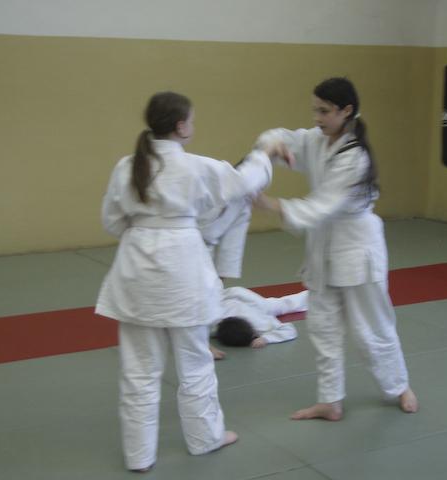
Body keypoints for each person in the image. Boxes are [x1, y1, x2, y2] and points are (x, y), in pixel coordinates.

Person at [95, 91, 284, 472]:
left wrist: (144, 230)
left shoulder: (127, 166)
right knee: (195, 363)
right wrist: (266, 151)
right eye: (192, 121)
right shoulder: (196, 167)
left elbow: (111, 221)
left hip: (136, 272)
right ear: (181, 126)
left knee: (138, 372)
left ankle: (138, 455)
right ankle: (205, 438)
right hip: (183, 271)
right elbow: (245, 180)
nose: (193, 127)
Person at [253, 77, 418, 421]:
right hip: (323, 248)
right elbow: (282, 136)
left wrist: (271, 205)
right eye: (315, 109)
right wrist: (272, 147)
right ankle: (330, 401)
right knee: (322, 326)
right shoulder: (317, 139)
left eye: (324, 111)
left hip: (356, 248)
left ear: (346, 111)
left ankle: (398, 386)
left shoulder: (355, 157)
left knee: (372, 328)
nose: (317, 118)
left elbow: (320, 207)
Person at [213, 287, 307, 349]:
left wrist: (266, 338)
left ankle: (312, 294)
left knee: (282, 305)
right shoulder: (212, 324)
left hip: (250, 300)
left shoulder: (260, 324)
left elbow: (289, 330)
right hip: (227, 296)